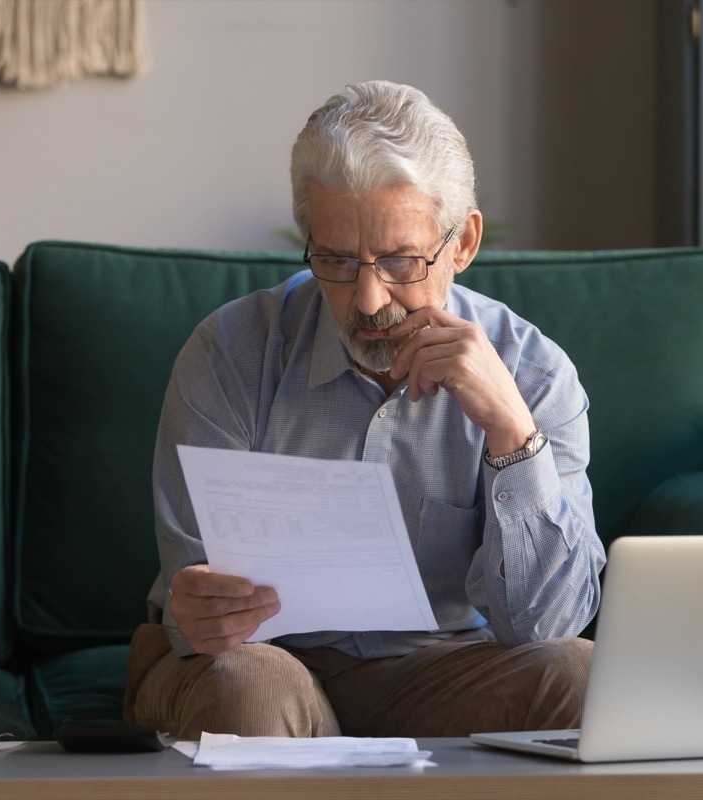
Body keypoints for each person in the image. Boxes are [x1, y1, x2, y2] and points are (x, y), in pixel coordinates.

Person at [125, 80, 605, 739]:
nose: (368, 298)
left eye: (402, 261)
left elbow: (547, 626)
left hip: (437, 672)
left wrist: (511, 434)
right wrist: (202, 609)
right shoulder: (231, 353)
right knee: (255, 688)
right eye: (337, 261)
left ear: (461, 244)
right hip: (250, 663)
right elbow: (197, 599)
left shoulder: (534, 373)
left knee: (578, 676)